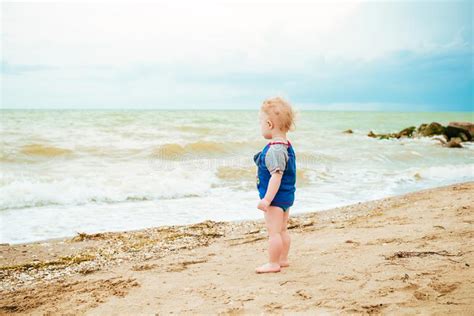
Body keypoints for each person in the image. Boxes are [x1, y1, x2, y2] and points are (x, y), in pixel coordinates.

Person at [253, 96, 296, 273]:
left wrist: (267, 200)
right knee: (282, 230)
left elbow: (276, 177)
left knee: (274, 232)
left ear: (269, 124)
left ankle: (273, 263)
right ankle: (283, 259)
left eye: (261, 122)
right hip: (286, 196)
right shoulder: (285, 146)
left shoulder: (274, 150)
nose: (260, 125)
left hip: (275, 198)